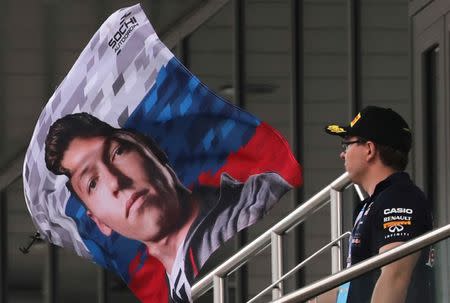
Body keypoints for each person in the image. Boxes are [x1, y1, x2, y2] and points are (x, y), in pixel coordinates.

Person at [44, 112, 293, 302]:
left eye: (117, 152)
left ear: (152, 151)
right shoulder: (174, 289)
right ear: (99, 222)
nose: (115, 181)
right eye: (93, 182)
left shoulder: (260, 197)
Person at [323, 106, 433, 303]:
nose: (342, 154)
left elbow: (395, 276)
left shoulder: (399, 197)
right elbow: (353, 289)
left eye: (346, 145)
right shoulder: (376, 202)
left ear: (369, 150)